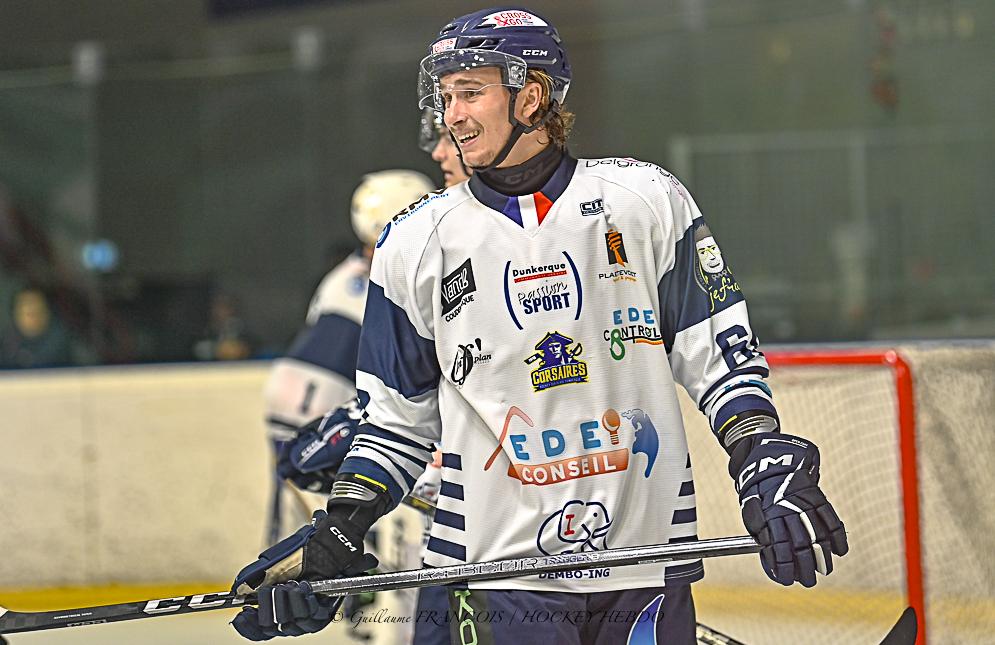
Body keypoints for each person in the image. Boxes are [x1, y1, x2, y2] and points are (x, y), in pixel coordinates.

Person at [231, 7, 848, 644]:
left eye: (471, 92)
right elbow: (395, 423)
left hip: (646, 566)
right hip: (495, 574)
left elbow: (718, 356)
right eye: (446, 96)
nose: (452, 115)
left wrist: (759, 455)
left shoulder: (646, 201)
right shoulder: (414, 242)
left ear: (531, 97)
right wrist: (341, 528)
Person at [261, 169, 437, 541]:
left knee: (301, 513)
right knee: (348, 507)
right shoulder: (385, 273)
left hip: (293, 384)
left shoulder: (345, 273)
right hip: (322, 392)